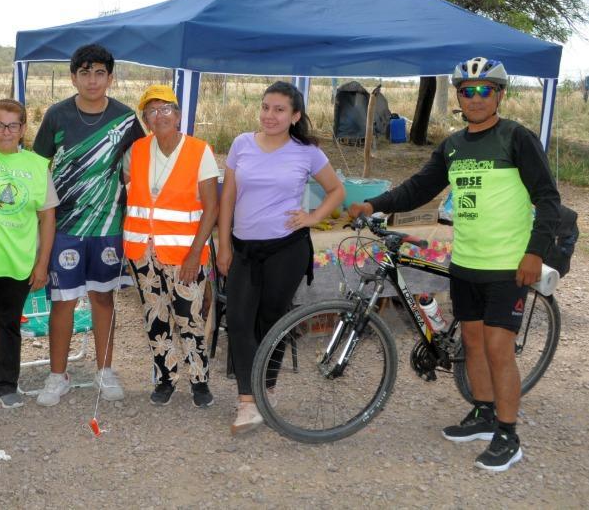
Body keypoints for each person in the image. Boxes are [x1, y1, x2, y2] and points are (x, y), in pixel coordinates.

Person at [349, 57, 561, 472]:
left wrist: (535, 252)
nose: (475, 98)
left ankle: (508, 435)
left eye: (484, 90)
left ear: (499, 95)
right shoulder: (452, 146)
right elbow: (419, 188)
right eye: (467, 91)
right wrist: (374, 204)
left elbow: (548, 200)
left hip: (508, 266)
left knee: (499, 349)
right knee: (474, 344)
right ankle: (484, 413)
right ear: (459, 98)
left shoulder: (516, 138)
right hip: (466, 262)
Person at [218, 80, 344, 435]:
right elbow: (228, 198)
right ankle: (247, 401)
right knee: (239, 321)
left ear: (295, 116)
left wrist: (314, 217)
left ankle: (265, 390)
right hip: (244, 248)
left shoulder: (307, 152)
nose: (269, 115)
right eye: (265, 107)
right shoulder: (242, 144)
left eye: (279, 110)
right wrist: (224, 244)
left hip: (286, 249)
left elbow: (336, 190)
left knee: (272, 321)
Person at [32, 43, 145, 406]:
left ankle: (105, 370)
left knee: (103, 298)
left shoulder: (126, 119)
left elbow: (140, 168)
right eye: (85, 73)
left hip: (108, 227)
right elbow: (37, 168)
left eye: (99, 73)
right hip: (64, 226)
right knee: (63, 302)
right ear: (73, 77)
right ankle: (57, 375)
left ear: (110, 78)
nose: (92, 80)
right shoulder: (57, 115)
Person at [122, 85, 219, 407]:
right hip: (142, 253)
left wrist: (195, 254)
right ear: (146, 119)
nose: (159, 116)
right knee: (156, 318)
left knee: (189, 318)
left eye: (165, 109)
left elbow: (211, 208)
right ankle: (166, 379)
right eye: (152, 111)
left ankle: (199, 381)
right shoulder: (137, 150)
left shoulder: (199, 151)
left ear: (178, 115)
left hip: (184, 254)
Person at [0, 99, 58, 414]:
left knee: (9, 325)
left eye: (13, 125)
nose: (6, 131)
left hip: (18, 262)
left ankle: (6, 386)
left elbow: (48, 218)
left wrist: (42, 263)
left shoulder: (37, 165)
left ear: (23, 129)